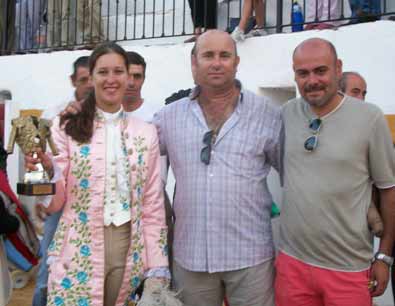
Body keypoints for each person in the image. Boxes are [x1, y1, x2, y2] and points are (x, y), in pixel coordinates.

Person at [25, 42, 171, 306]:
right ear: (91, 78)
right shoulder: (64, 126)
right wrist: (44, 169)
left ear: (128, 76)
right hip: (78, 243)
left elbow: (152, 204)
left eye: (118, 71)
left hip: (130, 246)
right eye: (103, 72)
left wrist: (157, 263)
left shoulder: (145, 132)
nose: (111, 79)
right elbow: (56, 202)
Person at [154, 29, 282, 306]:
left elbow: (297, 173)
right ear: (193, 63)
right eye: (208, 55)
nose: (216, 62)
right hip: (191, 257)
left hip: (251, 256)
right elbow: (134, 153)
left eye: (225, 55)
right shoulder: (168, 117)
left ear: (236, 62)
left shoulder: (268, 114)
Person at [276, 37, 395, 306]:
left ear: (338, 68)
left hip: (348, 268)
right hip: (292, 265)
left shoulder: (370, 118)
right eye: (302, 73)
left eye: (321, 71)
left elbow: (388, 191)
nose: (312, 80)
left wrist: (384, 257)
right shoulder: (287, 113)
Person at [31, 55, 92, 306]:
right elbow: (35, 160)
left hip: (92, 209)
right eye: (83, 79)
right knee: (48, 273)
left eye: (92, 77)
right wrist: (40, 197)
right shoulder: (53, 115)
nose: (89, 84)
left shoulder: (107, 118)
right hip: (60, 206)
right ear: (72, 81)